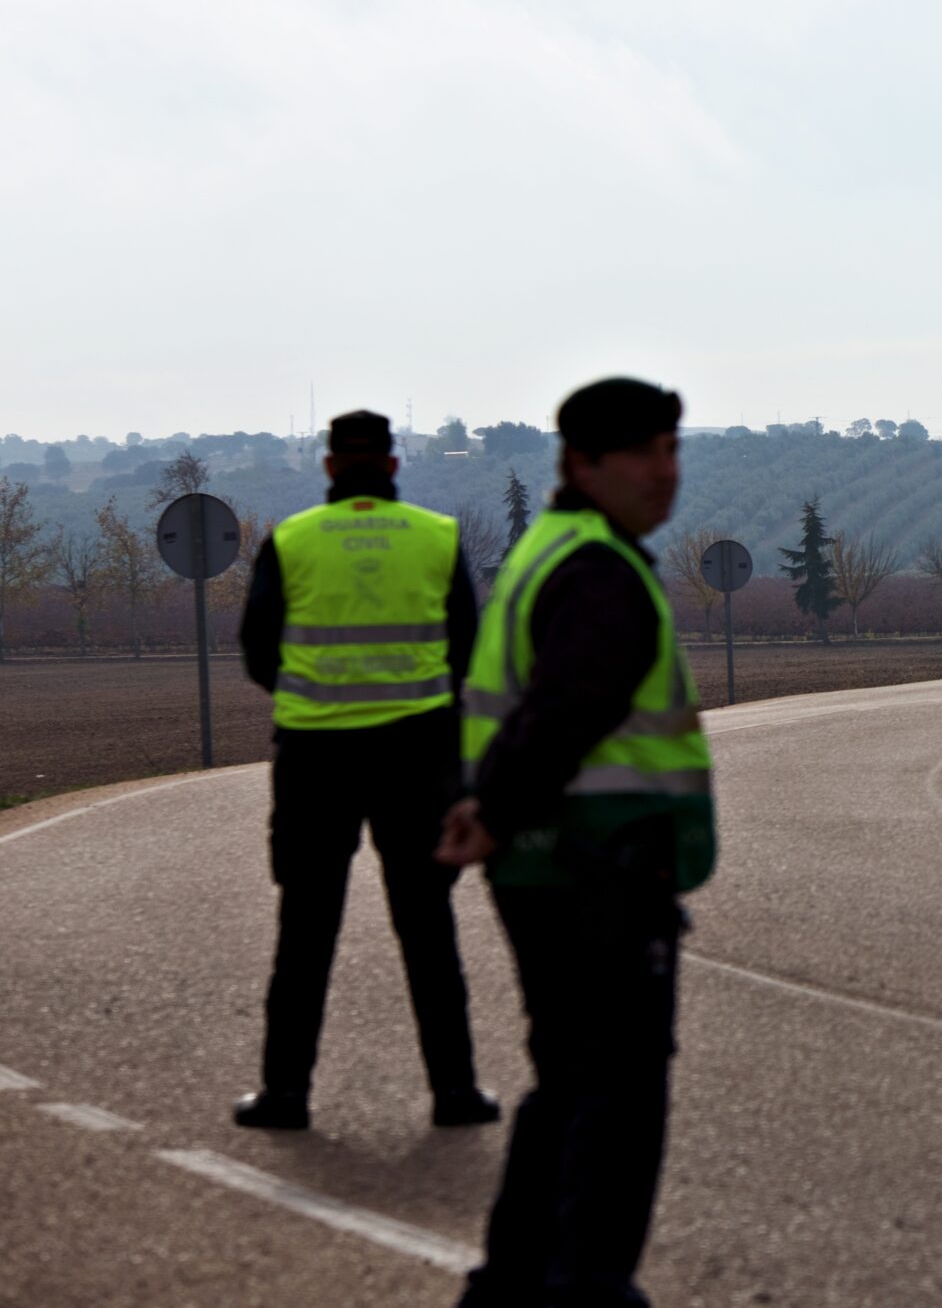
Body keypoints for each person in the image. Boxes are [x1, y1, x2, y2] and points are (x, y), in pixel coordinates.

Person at [437, 377, 710, 1308]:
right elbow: (569, 704)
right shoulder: (599, 569)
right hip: (596, 866)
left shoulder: (554, 549)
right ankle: (587, 1286)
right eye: (643, 451)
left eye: (672, 448)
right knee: (619, 1096)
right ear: (582, 462)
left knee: (568, 1081)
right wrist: (498, 805)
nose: (664, 470)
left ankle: (510, 1284)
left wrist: (491, 810)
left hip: (548, 861)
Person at [235, 409, 498, 1130]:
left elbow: (258, 649)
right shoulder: (437, 537)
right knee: (427, 923)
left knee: (306, 926)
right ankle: (455, 1092)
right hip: (417, 755)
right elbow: (467, 646)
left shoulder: (290, 540)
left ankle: (286, 1094)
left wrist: (315, 695)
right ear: (392, 465)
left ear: (328, 467)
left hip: (315, 757)